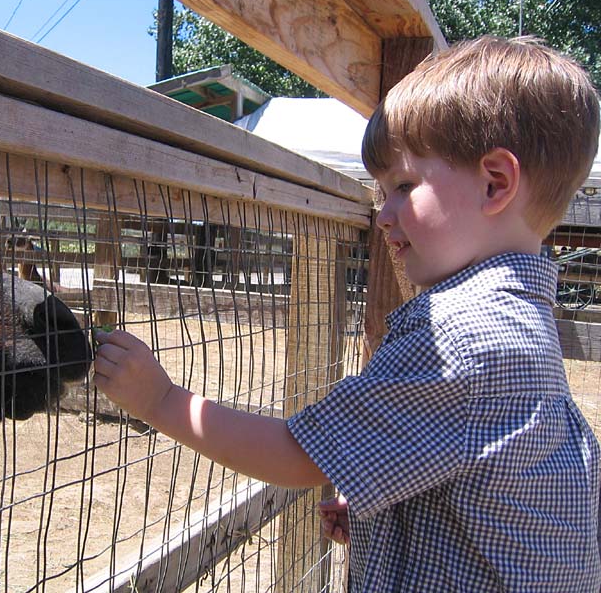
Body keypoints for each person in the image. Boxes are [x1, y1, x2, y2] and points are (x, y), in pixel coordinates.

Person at [93, 36, 601, 591]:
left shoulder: (460, 337)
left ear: (494, 183)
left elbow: (295, 457)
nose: (383, 215)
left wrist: (162, 401)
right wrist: (391, 514)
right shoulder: (524, 326)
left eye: (403, 186)